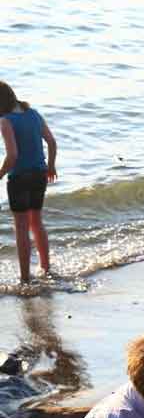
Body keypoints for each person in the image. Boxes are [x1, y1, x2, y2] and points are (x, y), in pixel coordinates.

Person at [0, 82, 57, 284]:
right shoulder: (33, 114)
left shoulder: (6, 121)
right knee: (37, 222)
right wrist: (51, 167)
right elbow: (51, 141)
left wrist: (0, 174)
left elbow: (13, 155)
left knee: (21, 227)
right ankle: (45, 268)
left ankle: (25, 278)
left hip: (19, 177)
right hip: (39, 174)